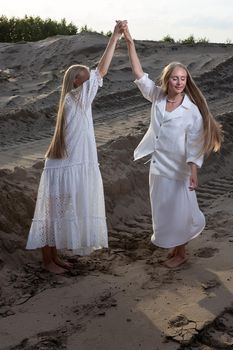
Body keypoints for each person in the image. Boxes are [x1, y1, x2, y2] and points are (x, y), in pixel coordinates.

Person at [26, 21, 127, 274]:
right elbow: (102, 69)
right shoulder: (77, 99)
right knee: (52, 214)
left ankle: (54, 257)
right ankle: (48, 261)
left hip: (67, 164)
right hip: (64, 165)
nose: (91, 78)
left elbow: (98, 71)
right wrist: (114, 37)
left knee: (57, 213)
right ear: (77, 83)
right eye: (86, 76)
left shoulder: (74, 99)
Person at [123, 25, 223, 268]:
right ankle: (175, 246)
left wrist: (193, 171)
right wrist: (129, 42)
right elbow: (139, 74)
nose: (179, 82)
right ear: (167, 80)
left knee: (181, 210)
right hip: (158, 164)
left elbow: (195, 143)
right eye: (175, 78)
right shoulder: (157, 96)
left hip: (180, 166)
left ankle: (181, 253)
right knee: (163, 209)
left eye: (183, 79)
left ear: (186, 81)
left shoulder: (192, 111)